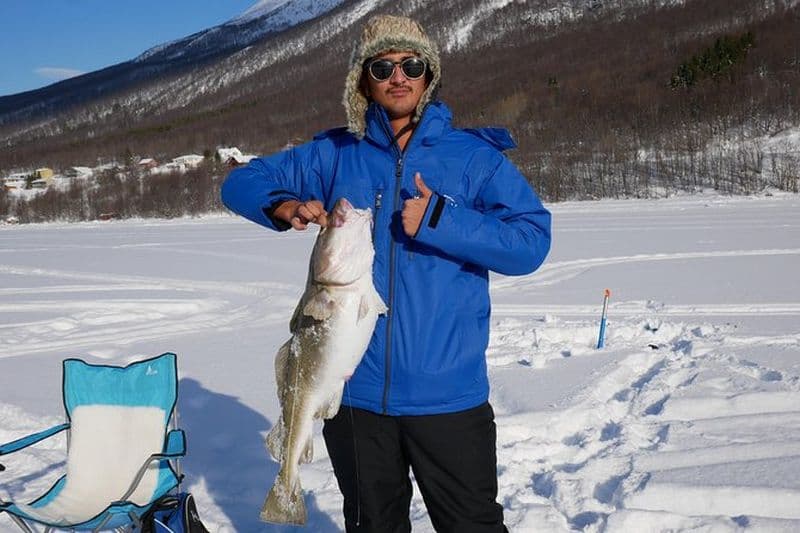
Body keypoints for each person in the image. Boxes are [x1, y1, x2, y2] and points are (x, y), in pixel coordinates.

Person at [221, 14, 551, 533]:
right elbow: (241, 182)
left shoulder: (472, 159)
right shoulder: (333, 154)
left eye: (411, 65)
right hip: (354, 397)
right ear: (363, 81)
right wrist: (282, 205)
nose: (398, 76)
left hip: (448, 395)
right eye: (382, 67)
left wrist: (441, 218)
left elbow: (531, 242)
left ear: (428, 75)